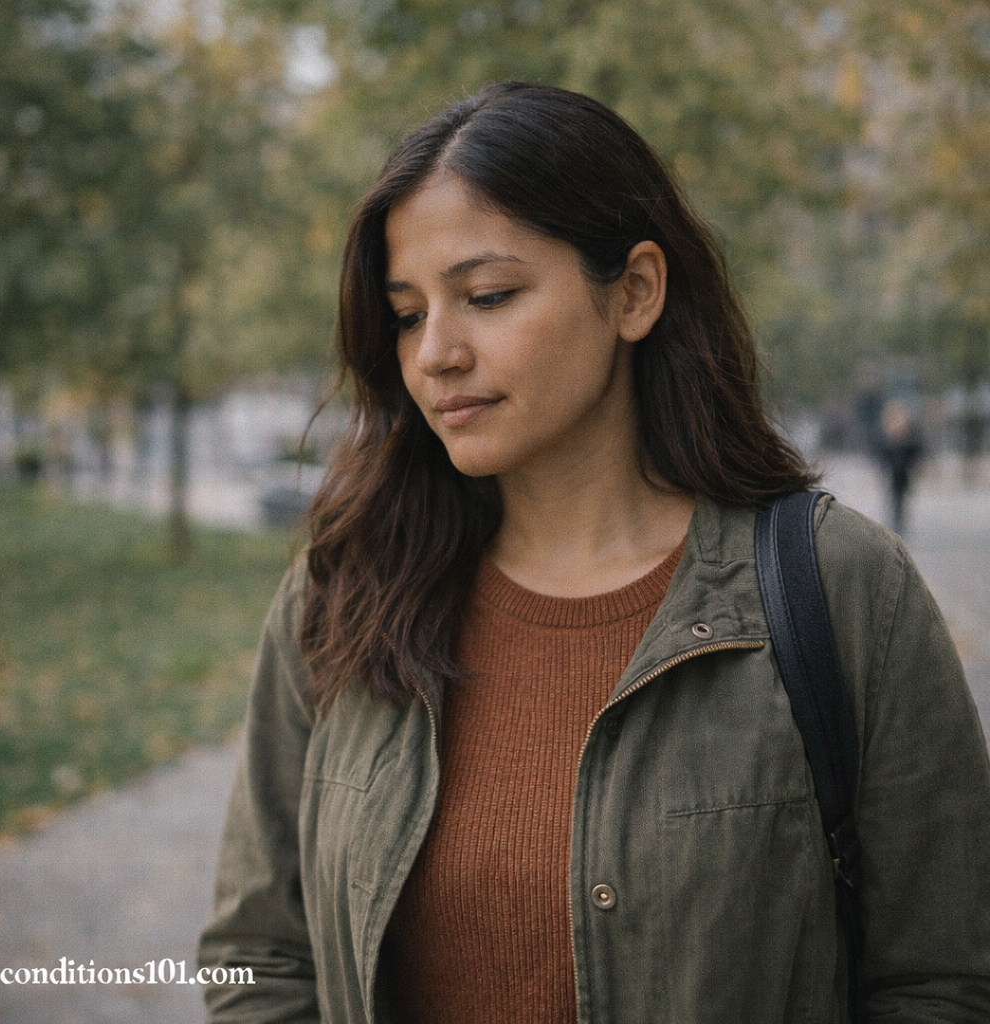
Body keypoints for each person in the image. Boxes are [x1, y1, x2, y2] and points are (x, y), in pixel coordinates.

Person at [198, 82, 990, 1023]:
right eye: (408, 314)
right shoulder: (342, 593)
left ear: (636, 291)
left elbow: (945, 981)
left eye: (487, 296)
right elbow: (256, 957)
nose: (436, 353)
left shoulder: (842, 588)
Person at [874, 398, 923, 535]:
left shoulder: (908, 436)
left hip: (902, 472)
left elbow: (915, 452)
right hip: (893, 472)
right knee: (894, 497)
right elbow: (881, 453)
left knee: (900, 498)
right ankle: (896, 521)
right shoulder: (887, 435)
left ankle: (899, 522)